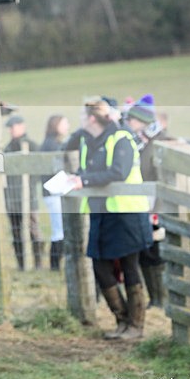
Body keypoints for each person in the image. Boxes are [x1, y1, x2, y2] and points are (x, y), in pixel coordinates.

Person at [68, 98, 153, 340]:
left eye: (84, 117)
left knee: (129, 266)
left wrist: (83, 181)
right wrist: (74, 177)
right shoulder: (88, 142)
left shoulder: (121, 138)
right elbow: (88, 170)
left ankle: (136, 326)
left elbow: (119, 172)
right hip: (101, 213)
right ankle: (123, 320)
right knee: (100, 267)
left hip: (126, 212)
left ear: (92, 118)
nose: (81, 122)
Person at [123, 93, 168, 308]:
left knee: (155, 251)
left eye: (132, 120)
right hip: (144, 203)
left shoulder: (159, 143)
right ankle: (155, 298)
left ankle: (161, 298)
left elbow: (160, 177)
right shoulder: (140, 142)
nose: (129, 123)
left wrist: (156, 210)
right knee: (146, 251)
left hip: (155, 206)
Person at [4, 115, 44, 270]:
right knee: (16, 233)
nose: (11, 130)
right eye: (10, 127)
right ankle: (21, 265)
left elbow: (38, 170)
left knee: (33, 230)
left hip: (29, 197)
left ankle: (38, 264)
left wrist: (29, 185)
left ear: (22, 126)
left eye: (13, 127)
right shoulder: (7, 148)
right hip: (11, 199)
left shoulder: (32, 146)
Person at [40, 114, 70, 270]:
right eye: (64, 123)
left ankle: (56, 264)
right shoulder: (52, 145)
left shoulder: (52, 143)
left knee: (58, 229)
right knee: (58, 230)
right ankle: (55, 265)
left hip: (52, 193)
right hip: (54, 193)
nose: (67, 127)